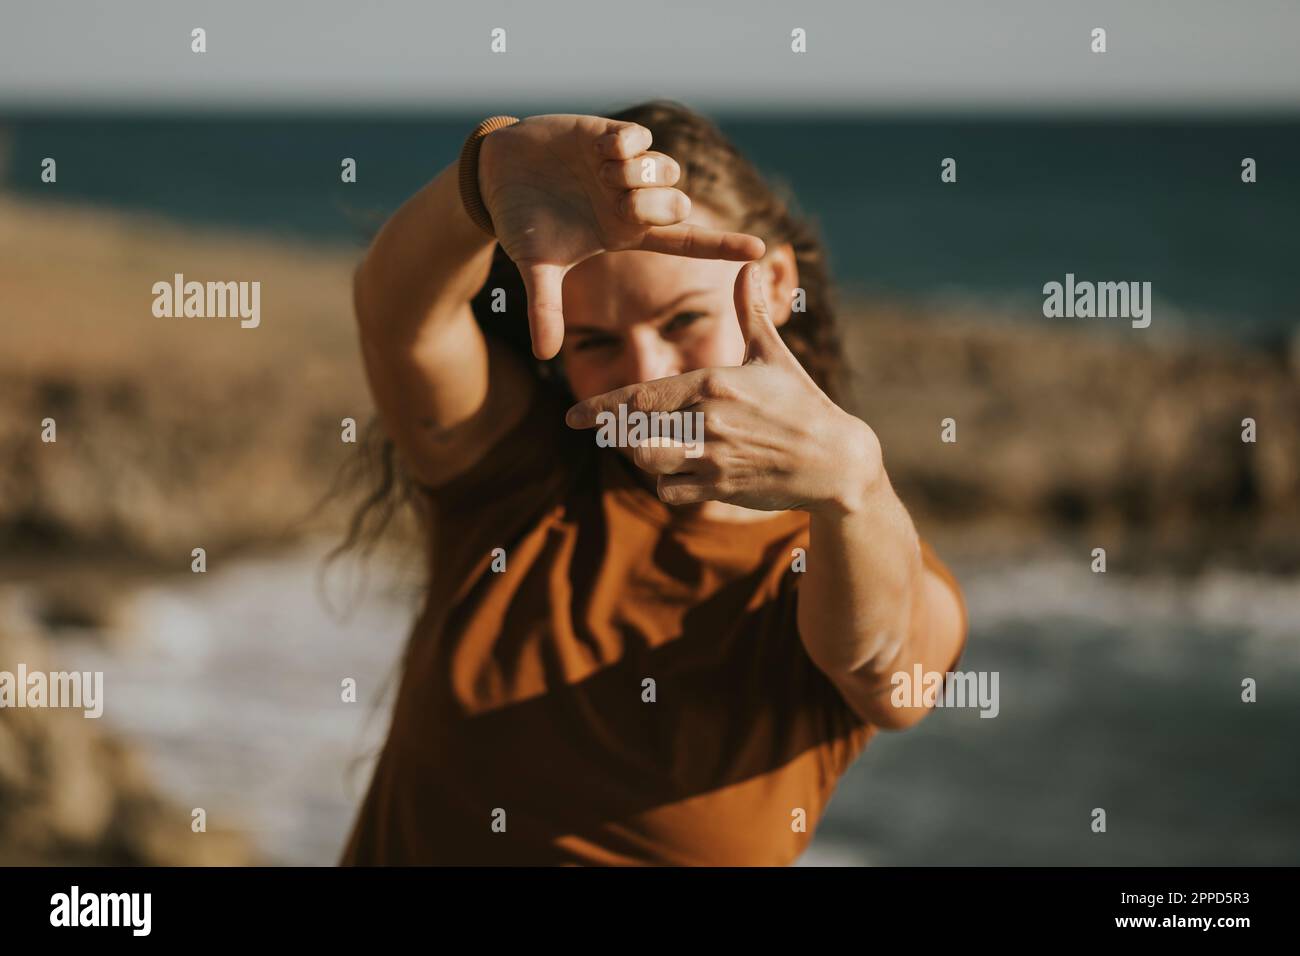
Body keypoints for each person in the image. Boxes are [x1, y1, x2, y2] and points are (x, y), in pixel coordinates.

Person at [338, 101, 968, 865]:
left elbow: (886, 670)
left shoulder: (843, 549)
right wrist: (483, 178)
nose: (644, 376)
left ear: (770, 284)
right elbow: (401, 317)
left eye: (679, 323)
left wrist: (855, 483)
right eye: (595, 341)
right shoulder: (515, 474)